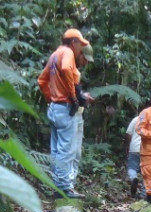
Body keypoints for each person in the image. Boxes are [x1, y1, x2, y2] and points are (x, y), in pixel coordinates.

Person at [38, 28, 90, 199]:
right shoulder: (67, 52)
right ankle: (64, 188)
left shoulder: (55, 54)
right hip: (65, 108)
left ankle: (59, 185)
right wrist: (73, 96)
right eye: (80, 45)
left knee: (57, 150)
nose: (80, 49)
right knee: (67, 151)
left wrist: (51, 98)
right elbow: (67, 69)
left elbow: (42, 80)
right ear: (73, 42)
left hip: (55, 108)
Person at [68, 44, 95, 193]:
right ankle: (66, 185)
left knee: (77, 152)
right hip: (69, 114)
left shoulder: (75, 70)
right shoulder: (67, 66)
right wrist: (81, 97)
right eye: (84, 59)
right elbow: (69, 91)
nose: (85, 63)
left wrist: (83, 96)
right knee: (70, 150)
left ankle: (71, 184)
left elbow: (76, 90)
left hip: (79, 114)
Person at [124, 111, 143, 198]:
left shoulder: (136, 119)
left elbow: (128, 134)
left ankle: (133, 178)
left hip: (134, 148)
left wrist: (127, 146)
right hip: (146, 149)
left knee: (132, 167)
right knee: (145, 172)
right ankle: (144, 192)